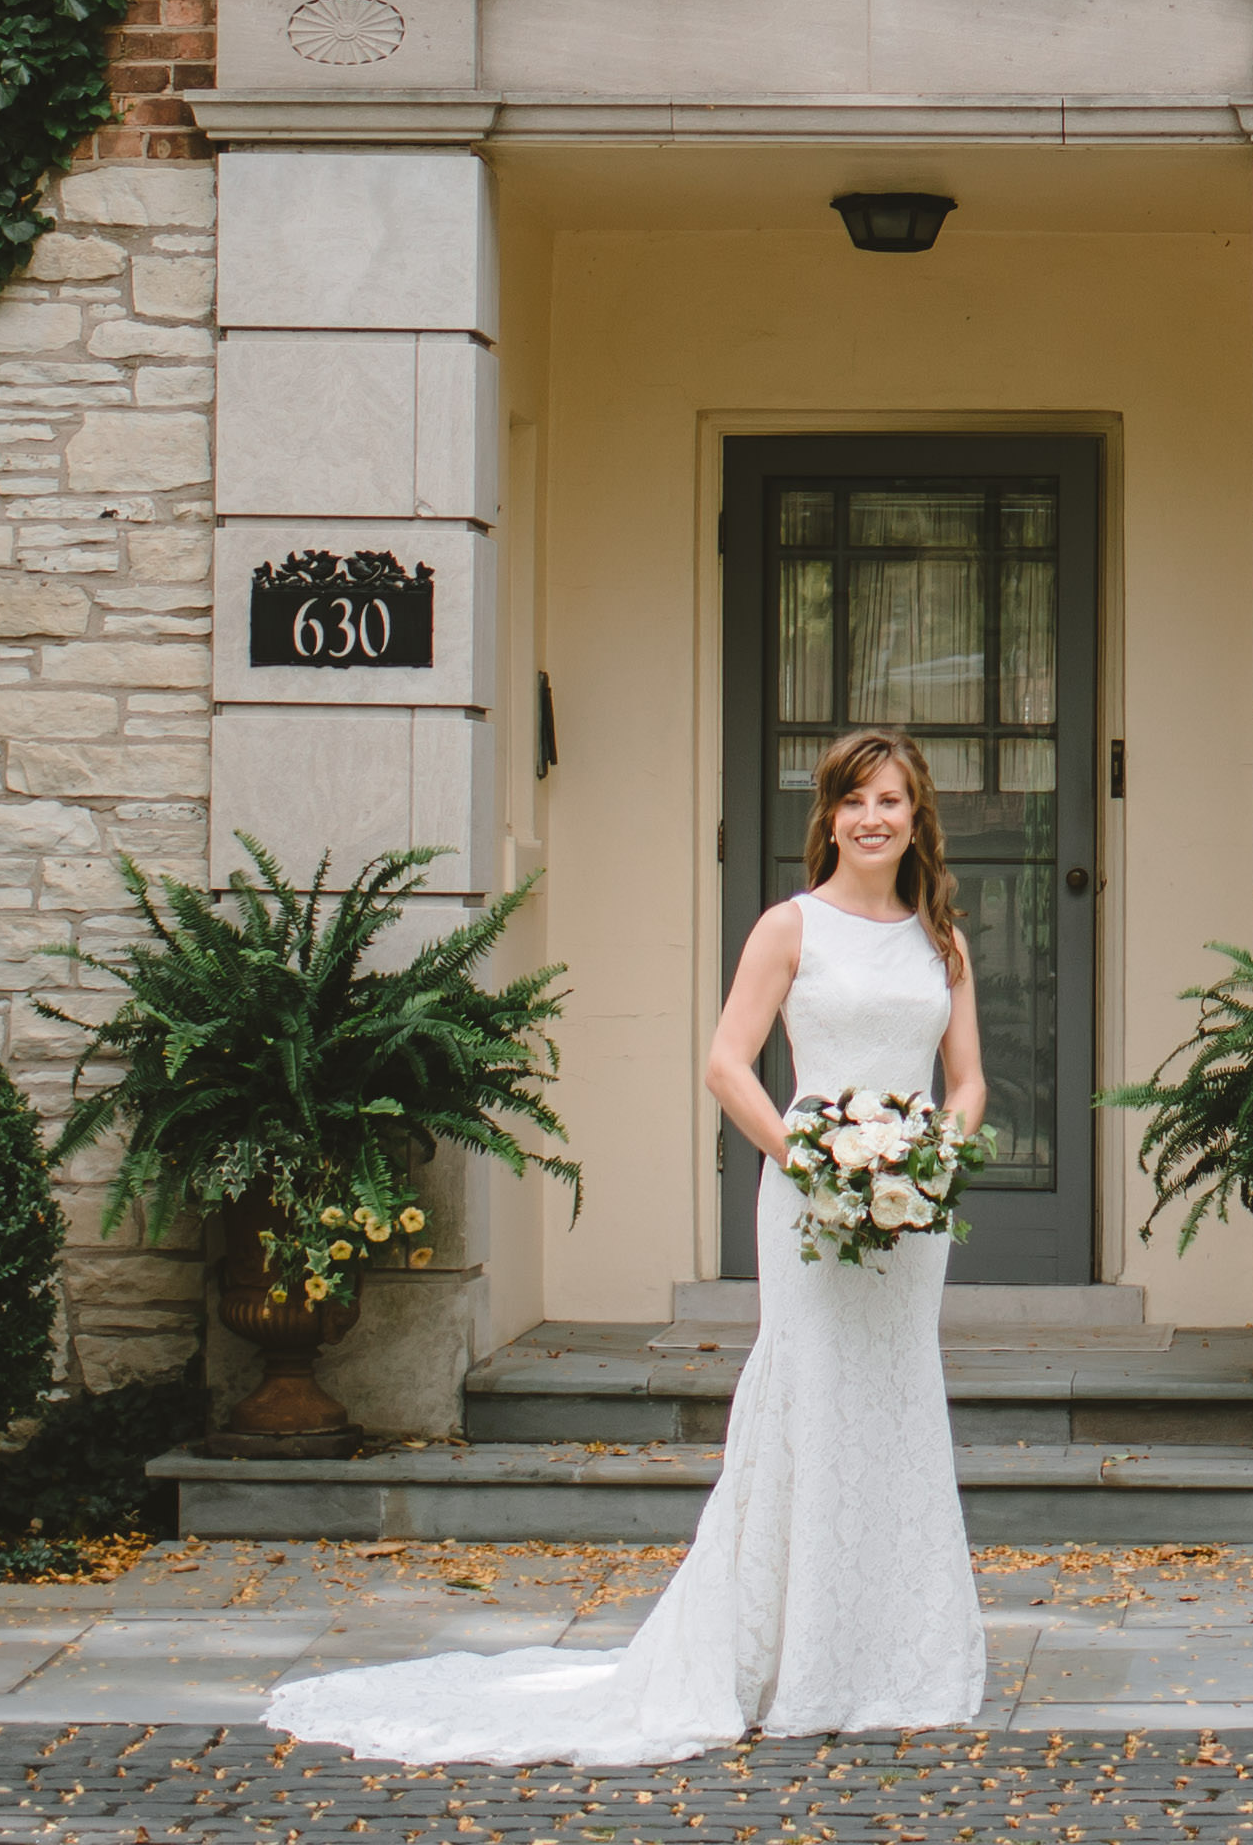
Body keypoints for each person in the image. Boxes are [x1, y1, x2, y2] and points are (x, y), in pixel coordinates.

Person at [263, 728, 993, 1763]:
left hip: (913, 1217)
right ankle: (795, 1655)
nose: (875, 818)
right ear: (828, 814)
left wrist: (928, 1159)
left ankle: (897, 1658)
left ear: (918, 817)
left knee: (898, 1401)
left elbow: (966, 1080)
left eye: (894, 800)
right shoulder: (790, 928)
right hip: (811, 1200)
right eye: (855, 800)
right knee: (813, 1398)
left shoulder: (942, 940)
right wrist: (814, 1161)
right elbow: (727, 1064)